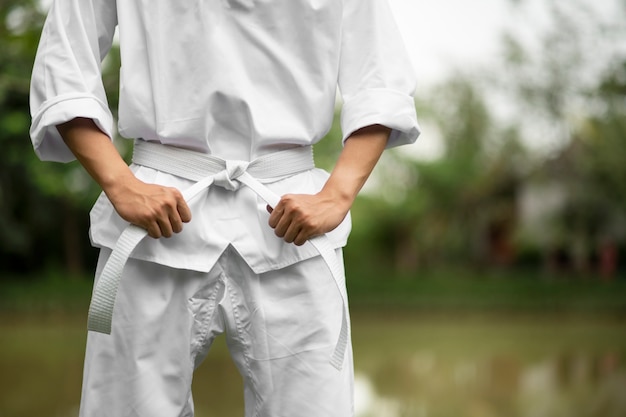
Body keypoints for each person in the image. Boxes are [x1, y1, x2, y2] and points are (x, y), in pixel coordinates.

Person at [29, 0, 420, 416]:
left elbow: (381, 80)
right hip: (155, 222)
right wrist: (120, 184)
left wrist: (337, 194)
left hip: (293, 226)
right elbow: (64, 64)